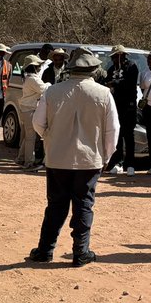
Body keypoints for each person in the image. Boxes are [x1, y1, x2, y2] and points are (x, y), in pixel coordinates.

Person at [28, 50, 119, 267]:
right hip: (89, 160)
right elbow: (112, 130)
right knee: (84, 205)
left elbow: (37, 123)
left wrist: (50, 139)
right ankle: (80, 252)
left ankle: (45, 250)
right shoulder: (104, 93)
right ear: (93, 70)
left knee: (56, 206)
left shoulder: (53, 91)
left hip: (57, 158)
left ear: (70, 69)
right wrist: (106, 155)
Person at [103, 45, 139, 175]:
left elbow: (130, 84)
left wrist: (115, 84)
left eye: (115, 56)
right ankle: (118, 163)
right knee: (117, 134)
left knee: (129, 135)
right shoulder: (112, 69)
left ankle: (130, 165)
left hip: (128, 106)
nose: (113, 59)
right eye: (112, 57)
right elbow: (106, 81)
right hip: (115, 105)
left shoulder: (132, 67)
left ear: (122, 55)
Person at [12, 54, 47, 169]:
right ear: (34, 66)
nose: (40, 67)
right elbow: (44, 89)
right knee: (31, 137)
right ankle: (28, 162)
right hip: (29, 109)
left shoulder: (29, 78)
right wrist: (51, 84)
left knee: (28, 136)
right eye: (38, 65)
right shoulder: (33, 79)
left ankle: (21, 158)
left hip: (26, 109)